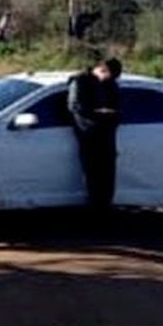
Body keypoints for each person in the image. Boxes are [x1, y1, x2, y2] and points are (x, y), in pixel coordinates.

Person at [68, 57, 122, 213]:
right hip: (90, 138)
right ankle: (96, 211)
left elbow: (118, 108)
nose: (109, 80)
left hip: (107, 139)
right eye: (109, 76)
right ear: (102, 69)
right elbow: (76, 109)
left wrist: (110, 115)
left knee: (107, 180)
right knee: (93, 178)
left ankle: (105, 209)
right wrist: (99, 115)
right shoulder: (81, 82)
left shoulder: (110, 85)